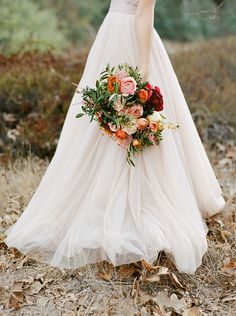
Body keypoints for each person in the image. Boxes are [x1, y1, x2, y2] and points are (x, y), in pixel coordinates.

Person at [4, 0, 225, 274]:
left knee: (108, 120)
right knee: (127, 114)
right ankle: (122, 207)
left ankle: (97, 200)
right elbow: (144, 10)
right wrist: (143, 66)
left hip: (111, 34)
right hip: (132, 37)